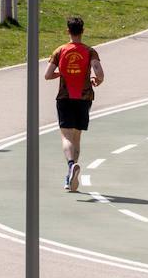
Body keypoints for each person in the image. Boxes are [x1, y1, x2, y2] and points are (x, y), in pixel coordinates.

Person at [44, 15, 105, 192]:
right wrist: (97, 80)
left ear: (68, 31)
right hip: (84, 98)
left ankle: (71, 165)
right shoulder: (90, 51)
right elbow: (99, 73)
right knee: (77, 136)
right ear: (83, 31)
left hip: (65, 97)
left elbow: (47, 75)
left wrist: (61, 74)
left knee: (66, 136)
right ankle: (71, 176)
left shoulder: (60, 50)